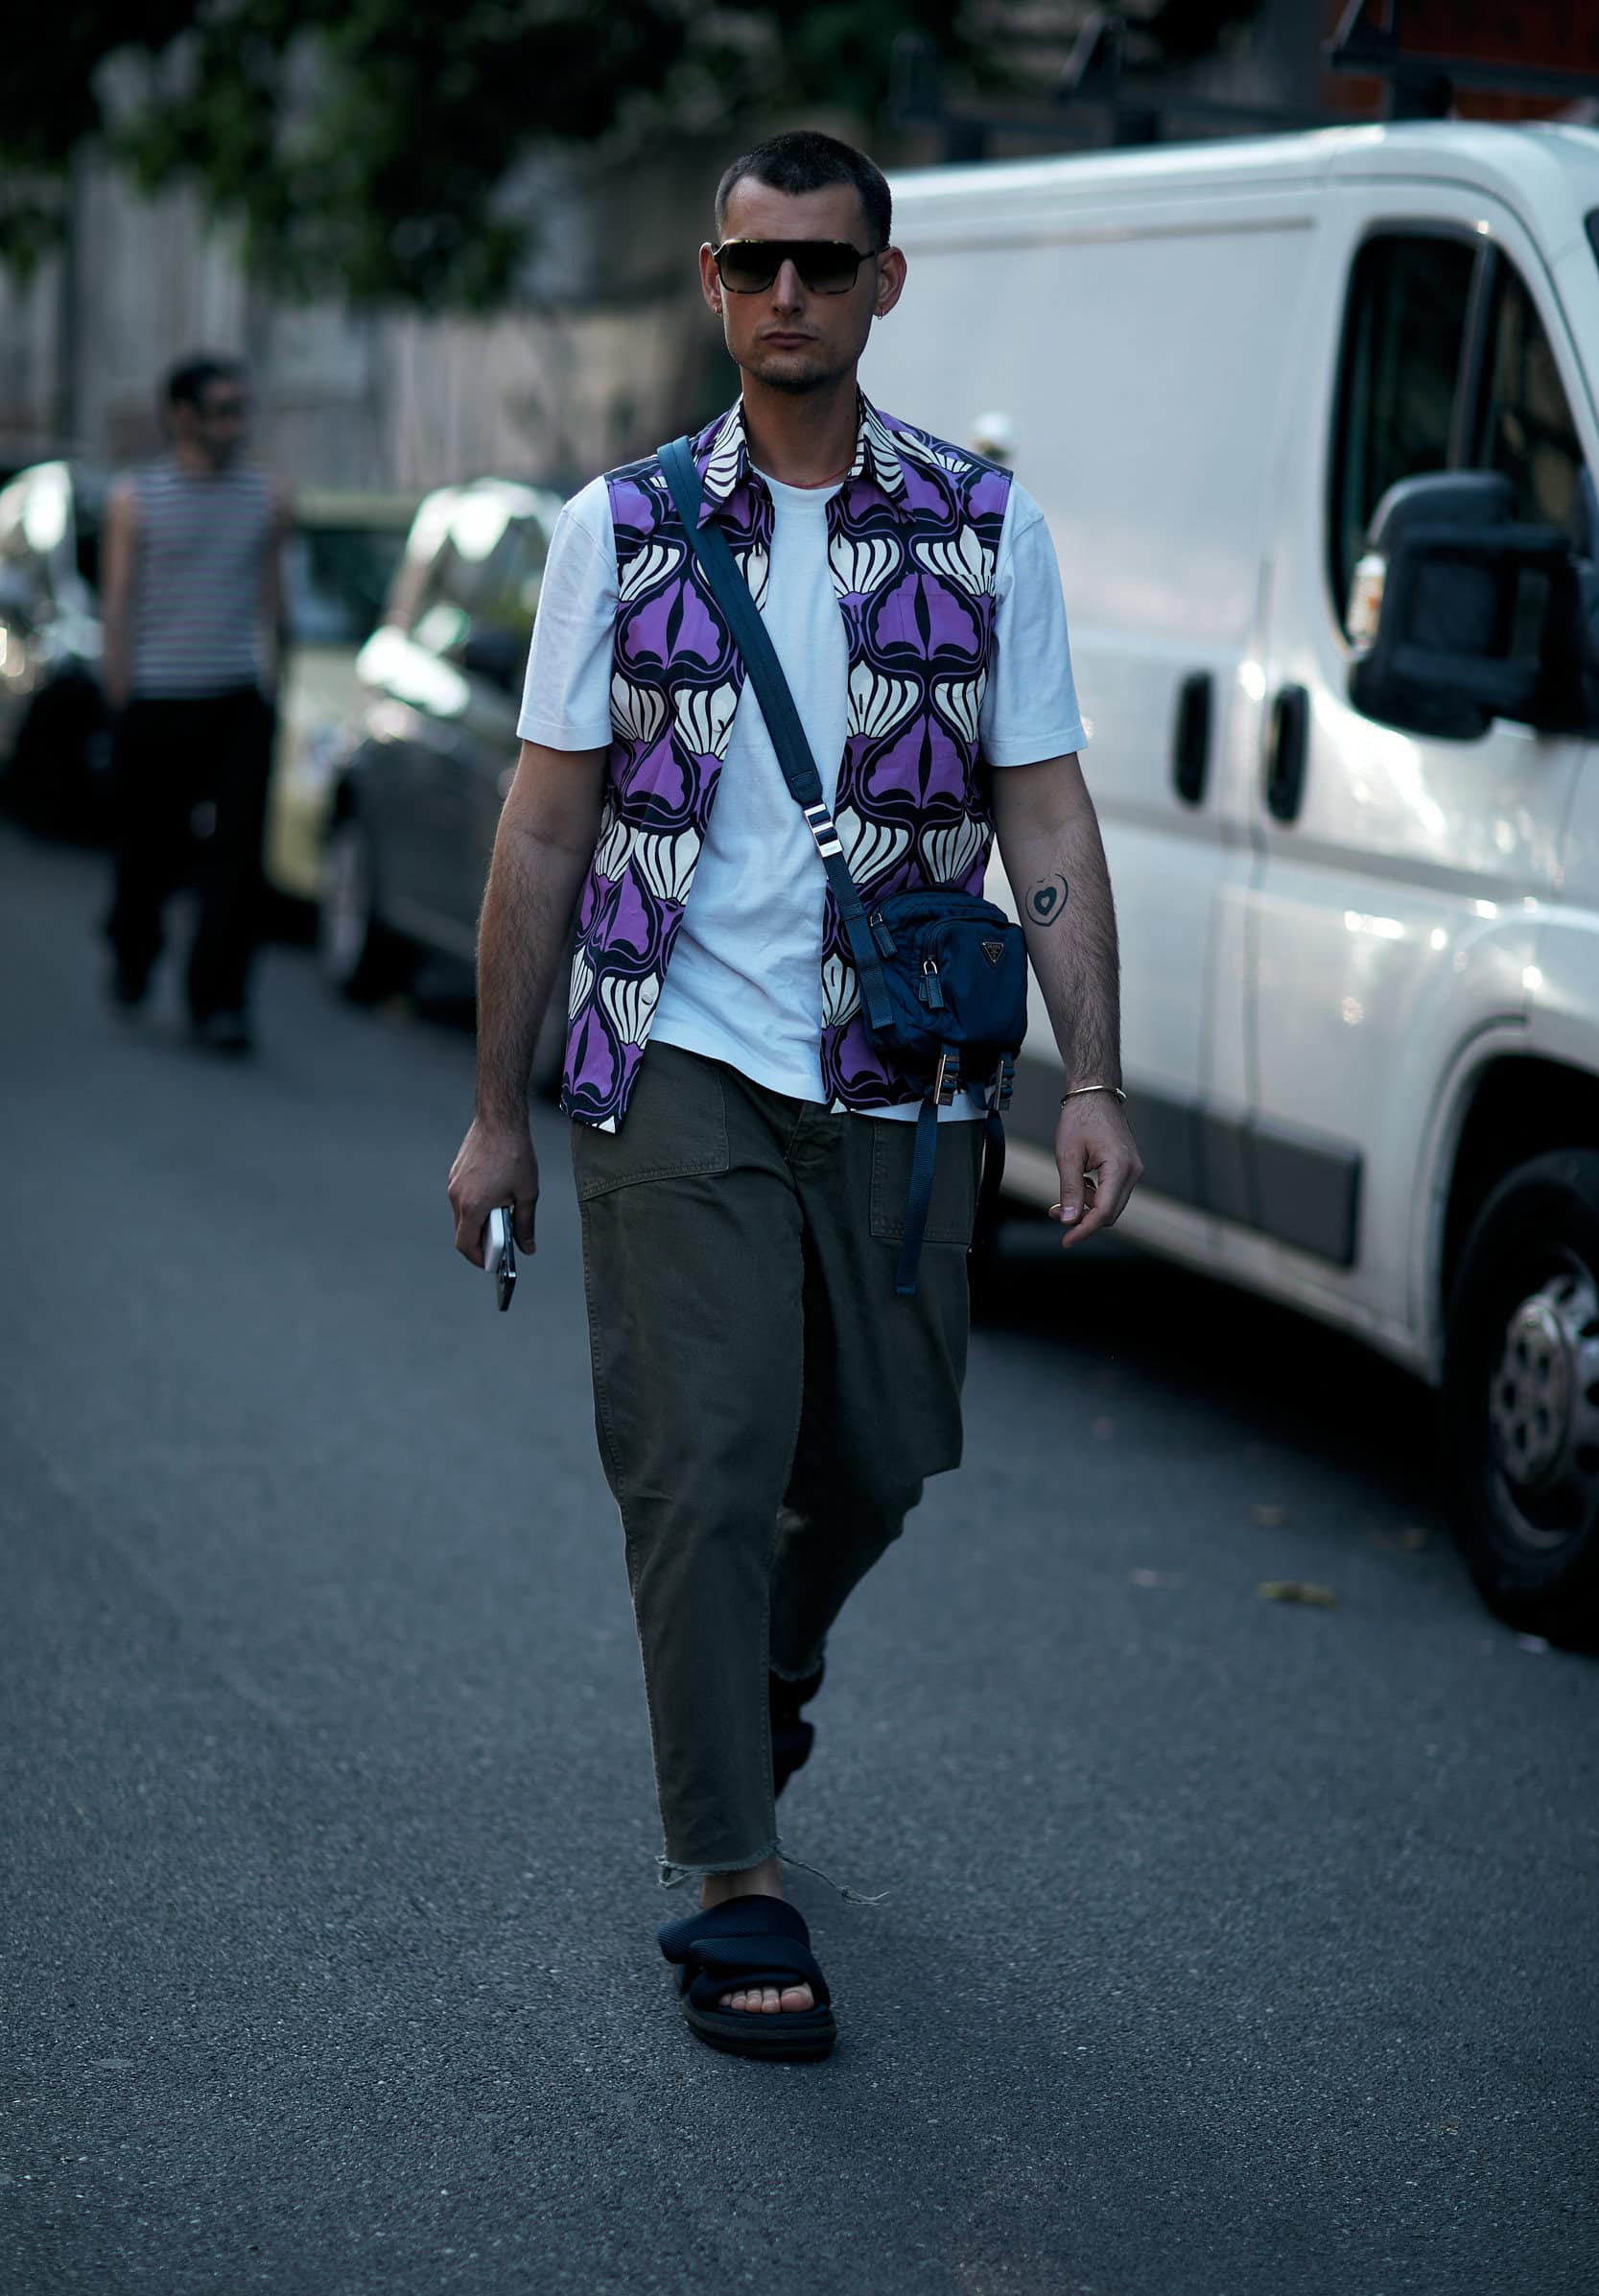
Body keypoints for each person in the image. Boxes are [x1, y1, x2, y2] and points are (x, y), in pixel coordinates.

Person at [448, 130, 1142, 2057]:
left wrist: (1089, 1074)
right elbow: (543, 828)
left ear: (878, 286)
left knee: (876, 1459)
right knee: (707, 1461)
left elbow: (1042, 810)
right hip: (672, 1050)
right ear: (710, 280)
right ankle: (729, 1875)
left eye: (822, 266)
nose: (785, 296)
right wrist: (497, 1111)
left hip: (903, 1073)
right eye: (752, 263)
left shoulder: (981, 529)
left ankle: (759, 1668)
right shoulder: (622, 527)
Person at [101, 354, 289, 1053]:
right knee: (146, 852)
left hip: (236, 700)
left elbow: (275, 599)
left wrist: (274, 684)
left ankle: (219, 1003)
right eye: (221, 411)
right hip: (156, 699)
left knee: (235, 860)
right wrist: (119, 699)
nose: (235, 425)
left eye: (241, 410)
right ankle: (133, 946)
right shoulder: (135, 499)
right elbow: (119, 604)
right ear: (180, 416)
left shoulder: (266, 498)